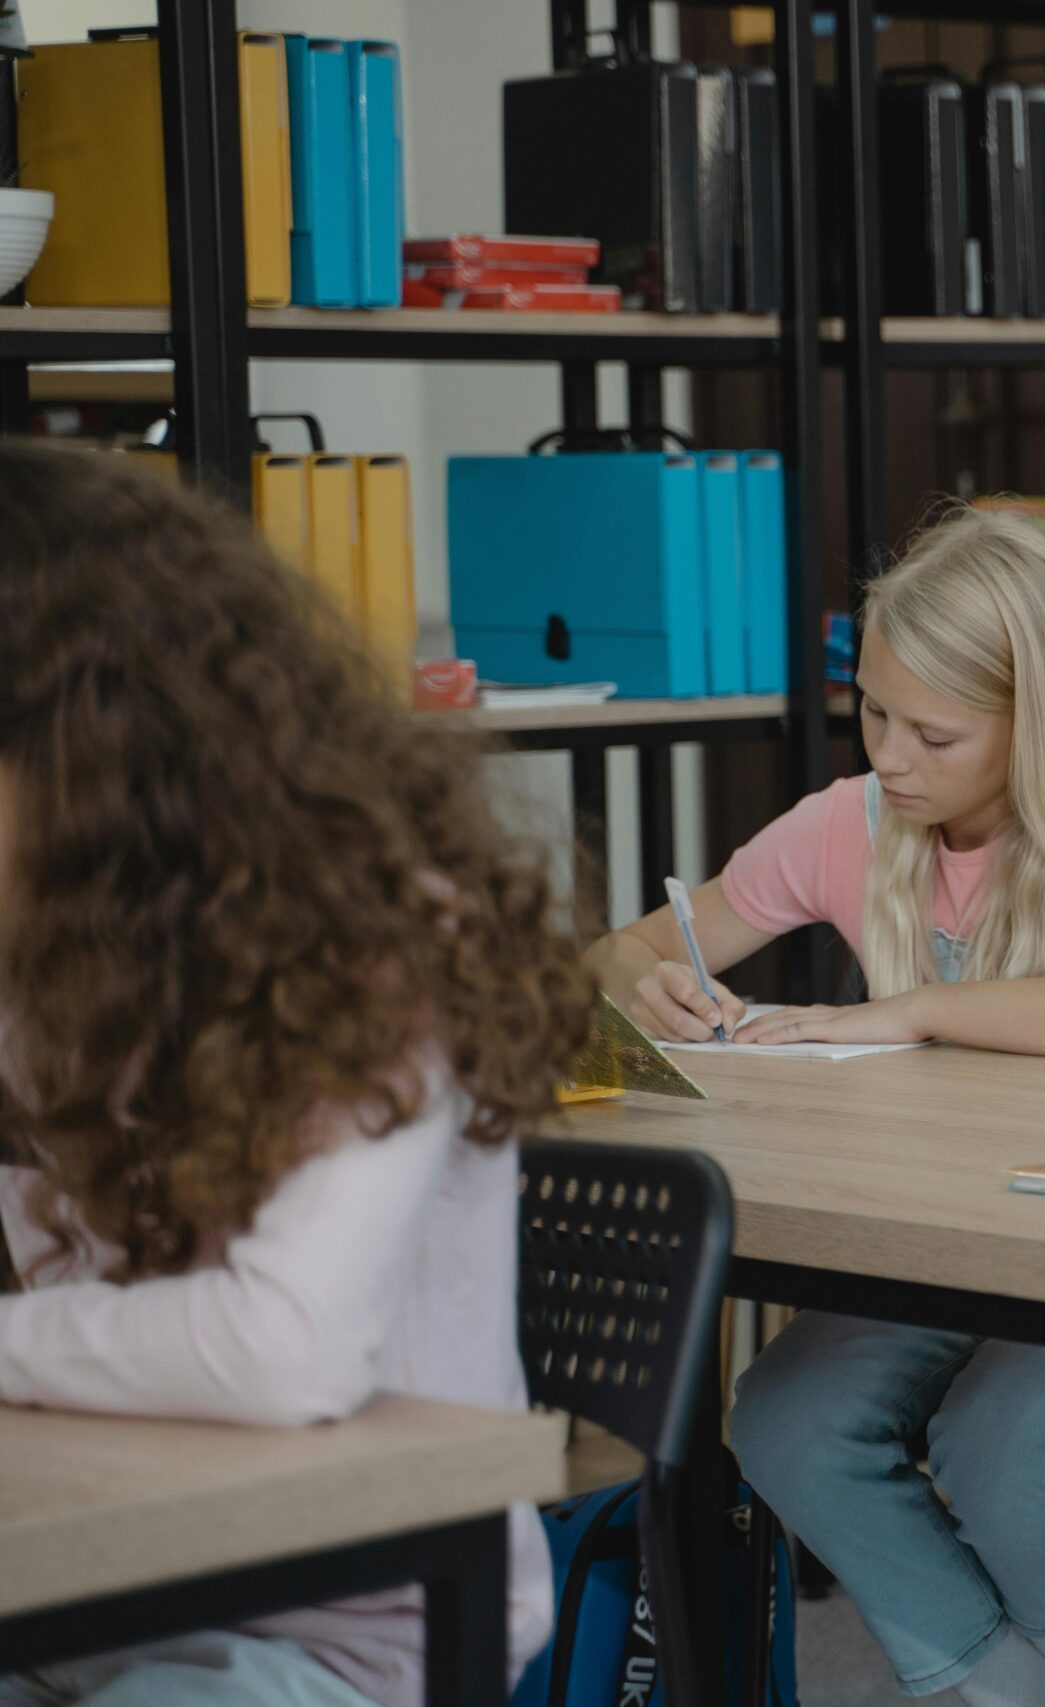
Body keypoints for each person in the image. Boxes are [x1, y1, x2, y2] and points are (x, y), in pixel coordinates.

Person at [586, 504, 1045, 1706]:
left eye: (932, 732)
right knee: (783, 1421)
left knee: (1002, 1440)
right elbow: (617, 949)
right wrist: (648, 981)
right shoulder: (854, 820)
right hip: (966, 1224)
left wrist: (913, 1012)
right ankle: (1031, 1694)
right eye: (871, 710)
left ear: (1031, 723)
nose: (890, 755)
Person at [0, 445, 588, 1706]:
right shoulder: (50, 957)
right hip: (93, 1585)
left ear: (82, 749)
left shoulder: (367, 948)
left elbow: (281, 1351)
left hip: (353, 1627)